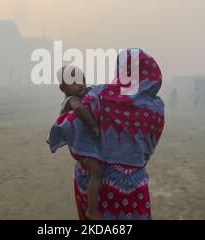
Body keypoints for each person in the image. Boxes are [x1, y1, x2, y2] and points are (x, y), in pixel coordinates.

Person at [48, 48, 165, 220]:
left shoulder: (100, 94)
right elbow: (148, 146)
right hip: (134, 185)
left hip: (94, 184)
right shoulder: (157, 108)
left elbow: (67, 126)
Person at [57, 65, 102, 220]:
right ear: (63, 88)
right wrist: (93, 124)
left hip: (79, 145)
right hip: (79, 146)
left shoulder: (73, 96)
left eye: (82, 79)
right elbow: (79, 109)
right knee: (96, 171)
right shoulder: (73, 100)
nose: (81, 84)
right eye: (74, 81)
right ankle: (92, 209)